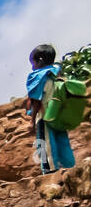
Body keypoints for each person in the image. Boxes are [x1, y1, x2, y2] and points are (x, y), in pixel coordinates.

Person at [27, 43, 76, 172]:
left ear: (40, 61)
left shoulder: (38, 77)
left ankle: (50, 173)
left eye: (33, 63)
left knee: (46, 143)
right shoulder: (58, 74)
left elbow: (36, 101)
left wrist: (32, 120)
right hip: (59, 115)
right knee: (63, 142)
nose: (33, 67)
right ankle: (70, 168)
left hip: (45, 117)